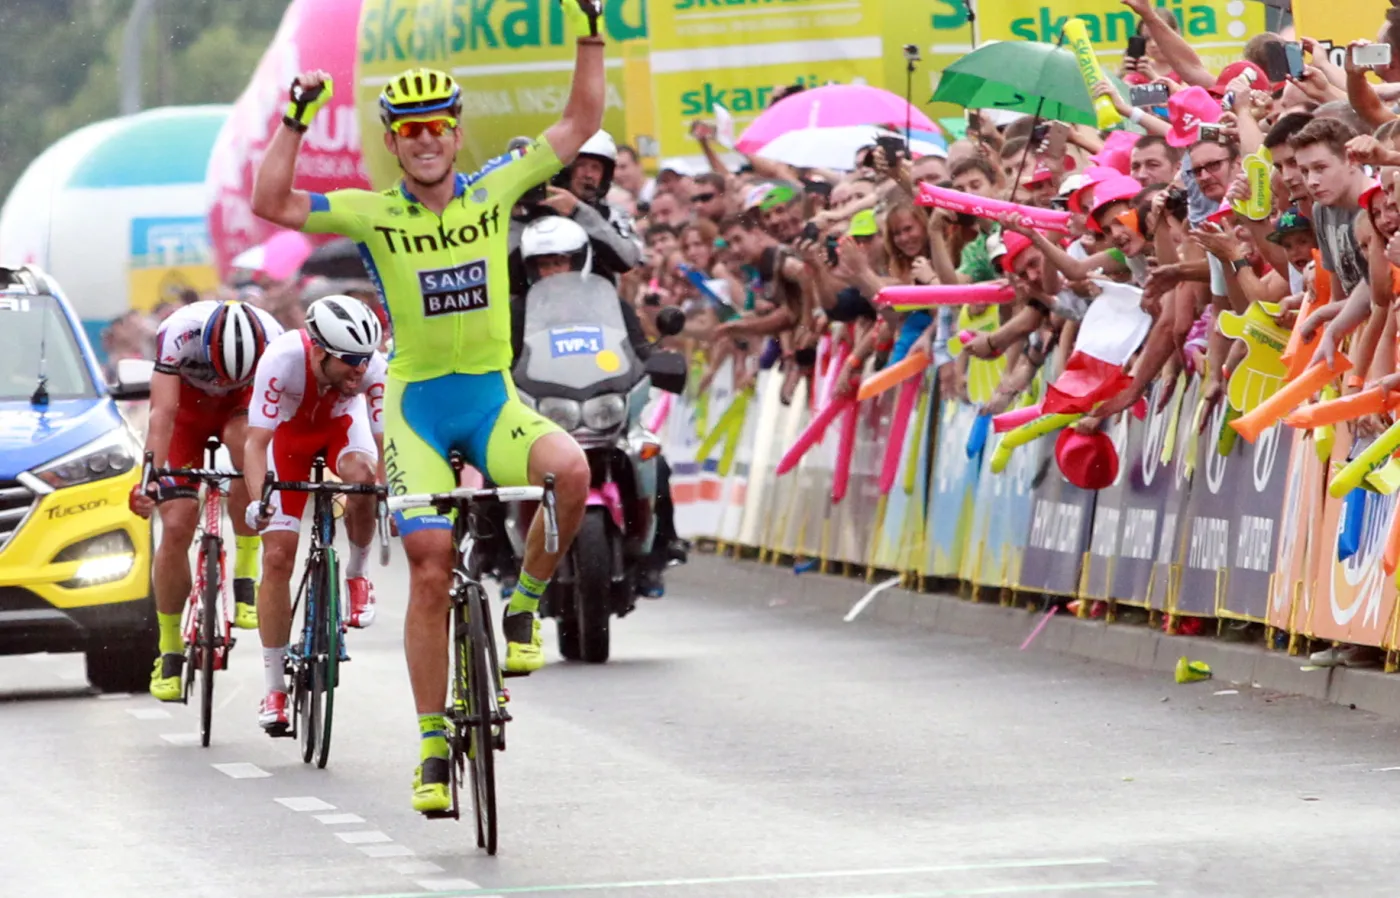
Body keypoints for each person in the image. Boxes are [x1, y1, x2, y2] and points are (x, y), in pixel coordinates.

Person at [249, 0, 606, 815]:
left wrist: (591, 29)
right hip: (414, 410)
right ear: (393, 140)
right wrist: (295, 120)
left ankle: (522, 610)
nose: (426, 140)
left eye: (437, 125)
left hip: (491, 399)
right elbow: (274, 201)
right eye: (408, 130)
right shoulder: (374, 210)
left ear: (456, 128)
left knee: (572, 469)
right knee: (431, 563)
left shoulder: (495, 187)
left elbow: (581, 119)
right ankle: (434, 747)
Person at [241, 296, 386, 734]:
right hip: (288, 440)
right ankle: (274, 689)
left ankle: (357, 577)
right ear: (319, 351)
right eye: (349, 362)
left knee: (363, 479)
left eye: (365, 359)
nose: (360, 370)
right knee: (278, 557)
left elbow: (384, 446)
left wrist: (388, 495)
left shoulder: (373, 369)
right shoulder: (282, 359)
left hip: (341, 430)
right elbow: (254, 443)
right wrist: (257, 500)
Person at [130, 299, 282, 701]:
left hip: (241, 411)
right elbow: (162, 415)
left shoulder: (274, 339)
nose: (220, 380)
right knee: (177, 523)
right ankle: (168, 649)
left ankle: (246, 575)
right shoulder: (177, 334)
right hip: (186, 416)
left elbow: (276, 419)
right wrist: (148, 479)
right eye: (214, 371)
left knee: (243, 445)